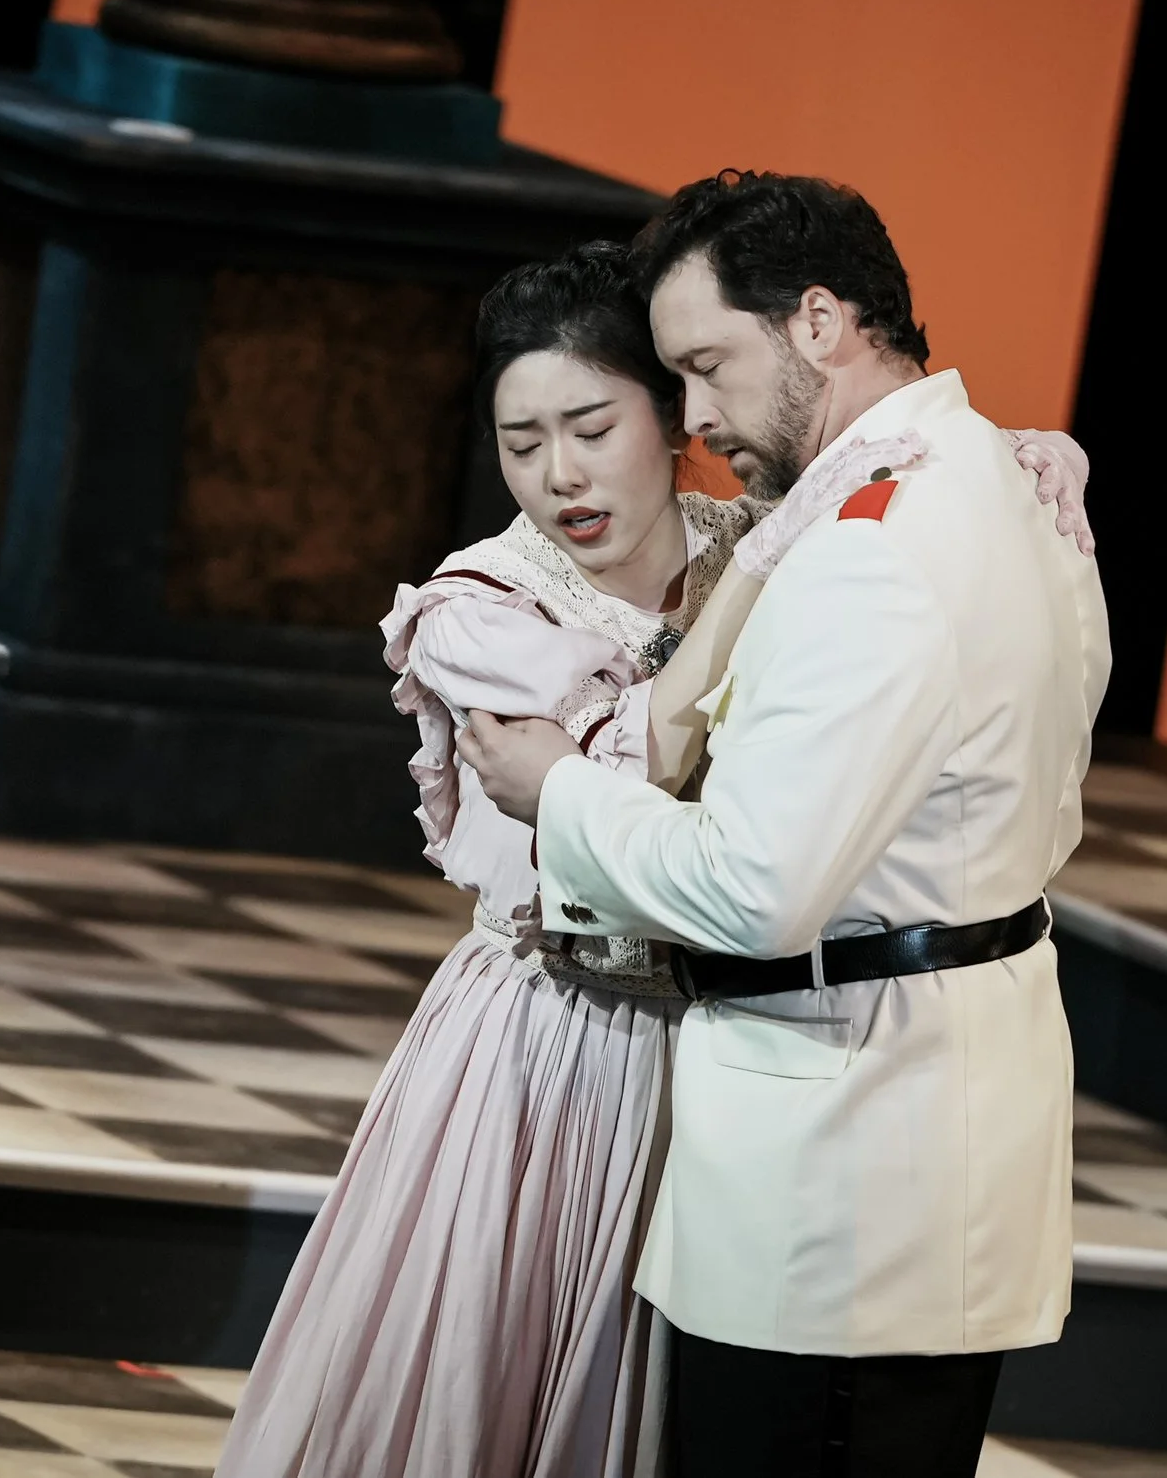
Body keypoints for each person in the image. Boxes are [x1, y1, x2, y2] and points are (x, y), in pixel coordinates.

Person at [216, 241, 1092, 1478]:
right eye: (521, 443)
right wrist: (762, 570)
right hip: (553, 1050)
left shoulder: (777, 525)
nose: (559, 474)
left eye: (590, 425)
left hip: (730, 1050)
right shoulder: (481, 605)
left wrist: (1032, 458)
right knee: (504, 1391)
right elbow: (627, 775)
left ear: (668, 418)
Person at [459, 174, 1112, 1478]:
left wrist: (564, 795)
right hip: (936, 1109)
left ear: (820, 322)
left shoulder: (869, 548)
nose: (697, 414)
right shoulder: (996, 472)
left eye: (709, 365)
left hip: (848, 1163)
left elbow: (754, 888)